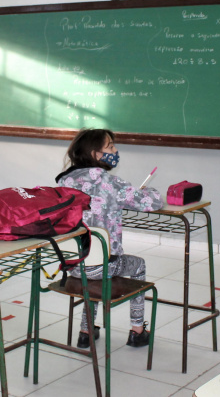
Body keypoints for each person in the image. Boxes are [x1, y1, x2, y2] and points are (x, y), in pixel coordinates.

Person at [54, 128, 162, 348]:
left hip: (72, 265)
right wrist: (150, 191)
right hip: (103, 267)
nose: (115, 150)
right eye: (110, 146)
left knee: (91, 269)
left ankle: (86, 331)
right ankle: (137, 330)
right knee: (137, 265)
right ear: (95, 154)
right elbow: (153, 203)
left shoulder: (64, 182)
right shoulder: (109, 182)